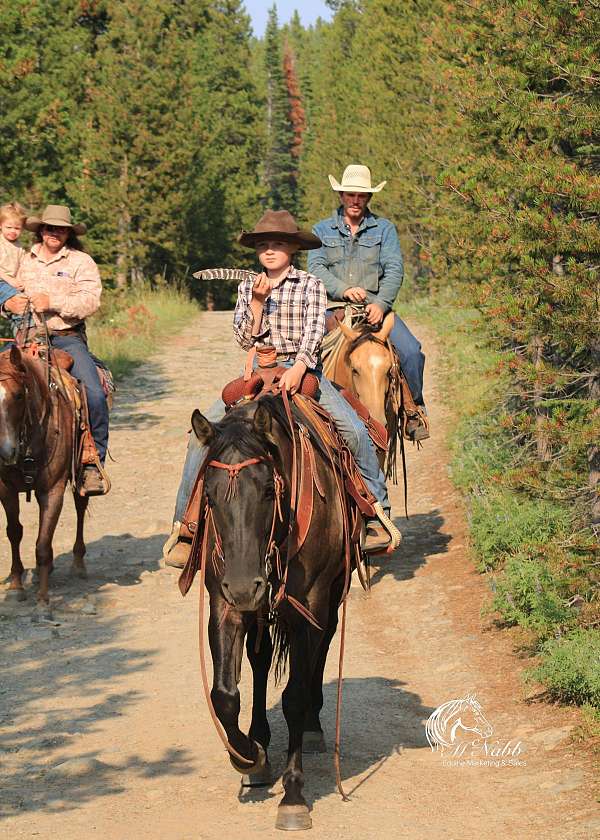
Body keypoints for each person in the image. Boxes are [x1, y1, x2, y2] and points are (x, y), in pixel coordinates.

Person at [164, 209, 398, 569]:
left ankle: (374, 512)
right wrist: (257, 305)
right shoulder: (248, 287)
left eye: (278, 244)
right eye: (263, 245)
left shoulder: (310, 285)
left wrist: (301, 367)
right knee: (202, 433)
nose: (269, 250)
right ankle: (187, 525)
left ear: (293, 249)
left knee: (352, 429)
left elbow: (313, 334)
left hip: (302, 369)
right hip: (260, 368)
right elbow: (244, 339)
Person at [308, 164, 429, 441]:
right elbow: (316, 268)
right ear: (341, 195)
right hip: (334, 309)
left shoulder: (384, 230)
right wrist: (344, 289)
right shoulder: (322, 230)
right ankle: (308, 414)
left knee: (411, 351)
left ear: (369, 198)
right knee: (308, 353)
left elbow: (394, 269)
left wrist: (382, 303)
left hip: (375, 308)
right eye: (350, 194)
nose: (355, 200)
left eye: (361, 195)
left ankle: (413, 411)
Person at [1, 205, 108, 495]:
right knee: (4, 390)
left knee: (94, 393)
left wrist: (54, 302)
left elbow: (91, 301)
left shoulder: (81, 261)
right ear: (40, 230)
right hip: (24, 338)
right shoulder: (23, 258)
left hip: (67, 338)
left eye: (60, 228)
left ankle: (91, 461)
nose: (54, 233)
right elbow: (2, 282)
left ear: (68, 233)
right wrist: (6, 302)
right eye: (49, 228)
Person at [0, 201, 27, 289]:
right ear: (0, 225)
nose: (13, 231)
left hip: (11, 282)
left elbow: (21, 266)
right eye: (8, 227)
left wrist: (18, 281)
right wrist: (9, 279)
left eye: (17, 228)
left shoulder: (19, 247)